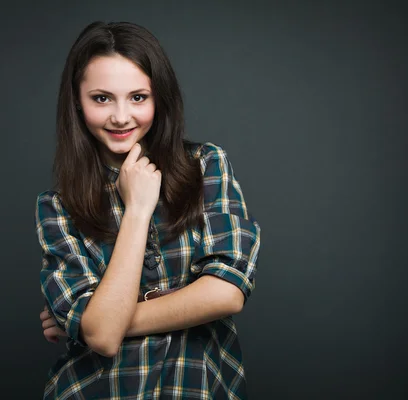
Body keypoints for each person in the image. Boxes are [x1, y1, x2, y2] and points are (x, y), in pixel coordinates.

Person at [35, 20, 261, 399]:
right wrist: (138, 210)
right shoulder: (57, 207)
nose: (121, 117)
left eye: (138, 97)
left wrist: (96, 321)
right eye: (102, 98)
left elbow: (226, 293)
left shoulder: (205, 166)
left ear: (160, 97)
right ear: (77, 99)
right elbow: (103, 341)